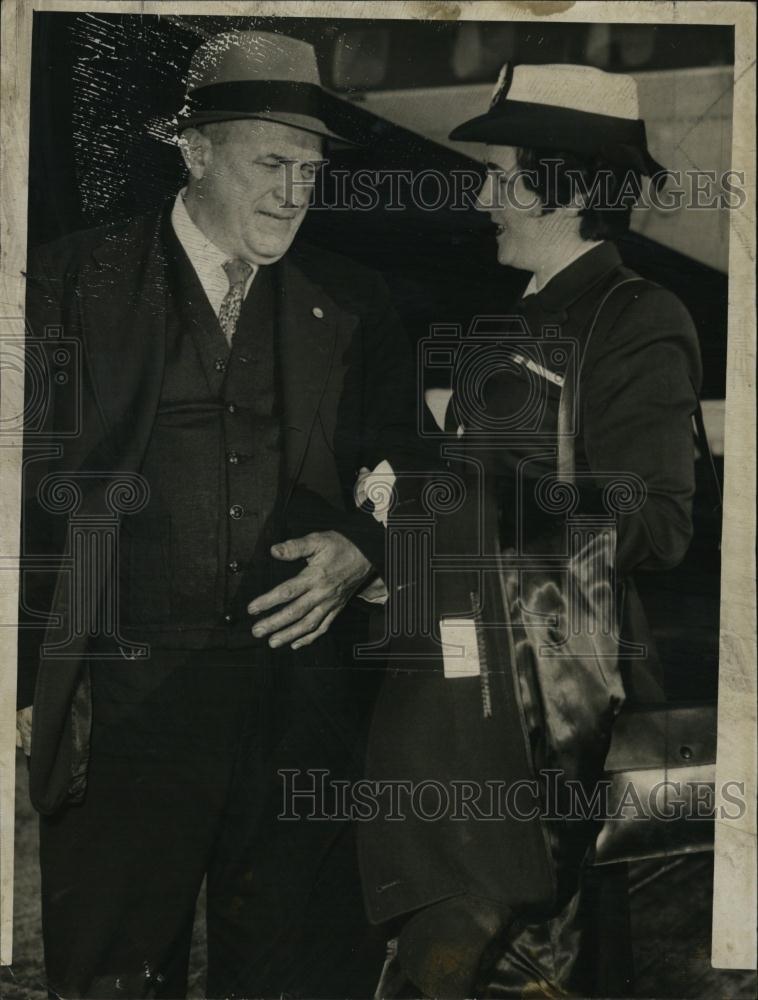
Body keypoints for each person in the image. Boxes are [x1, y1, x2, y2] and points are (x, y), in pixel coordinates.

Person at [18, 30, 414, 999]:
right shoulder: (68, 286)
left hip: (297, 727)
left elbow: (423, 465)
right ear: (194, 152)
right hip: (127, 723)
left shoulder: (355, 306)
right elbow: (22, 491)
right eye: (270, 163)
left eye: (309, 170)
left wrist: (364, 550)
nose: (293, 194)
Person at [361, 62, 702, 998]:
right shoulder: (513, 324)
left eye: (504, 175)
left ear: (577, 188)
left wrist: (450, 503)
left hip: (555, 710)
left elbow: (657, 522)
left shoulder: (638, 319)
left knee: (525, 963)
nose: (483, 195)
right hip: (474, 708)